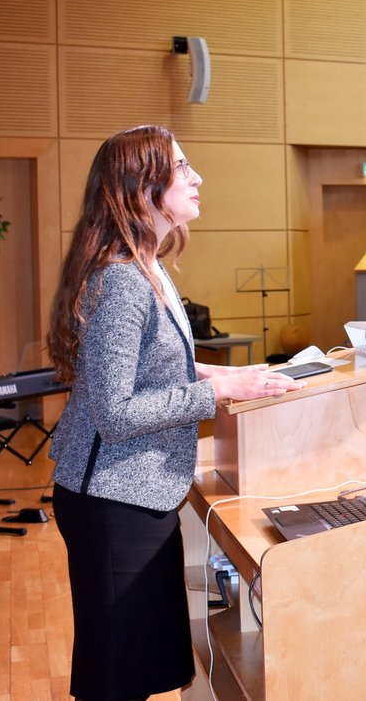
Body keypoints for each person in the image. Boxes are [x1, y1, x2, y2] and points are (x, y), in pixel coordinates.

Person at [47, 125, 304, 701]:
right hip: (111, 500)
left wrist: (231, 377)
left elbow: (156, 369)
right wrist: (213, 396)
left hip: (138, 494)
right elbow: (115, 411)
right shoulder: (121, 280)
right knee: (115, 675)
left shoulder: (149, 266)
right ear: (143, 188)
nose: (197, 177)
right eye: (182, 167)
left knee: (137, 667)